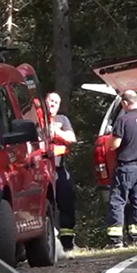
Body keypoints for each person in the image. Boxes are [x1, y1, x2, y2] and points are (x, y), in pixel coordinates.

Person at [105, 90, 137, 247]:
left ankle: (116, 240)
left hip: (126, 168)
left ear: (124, 103)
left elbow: (115, 144)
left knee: (117, 201)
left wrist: (109, 143)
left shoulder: (123, 120)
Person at [45, 92, 78, 251]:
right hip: (41, 170)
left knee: (67, 201)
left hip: (58, 169)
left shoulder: (62, 120)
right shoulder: (35, 119)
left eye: (56, 102)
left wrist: (56, 132)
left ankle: (67, 242)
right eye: (50, 101)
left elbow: (72, 138)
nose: (52, 104)